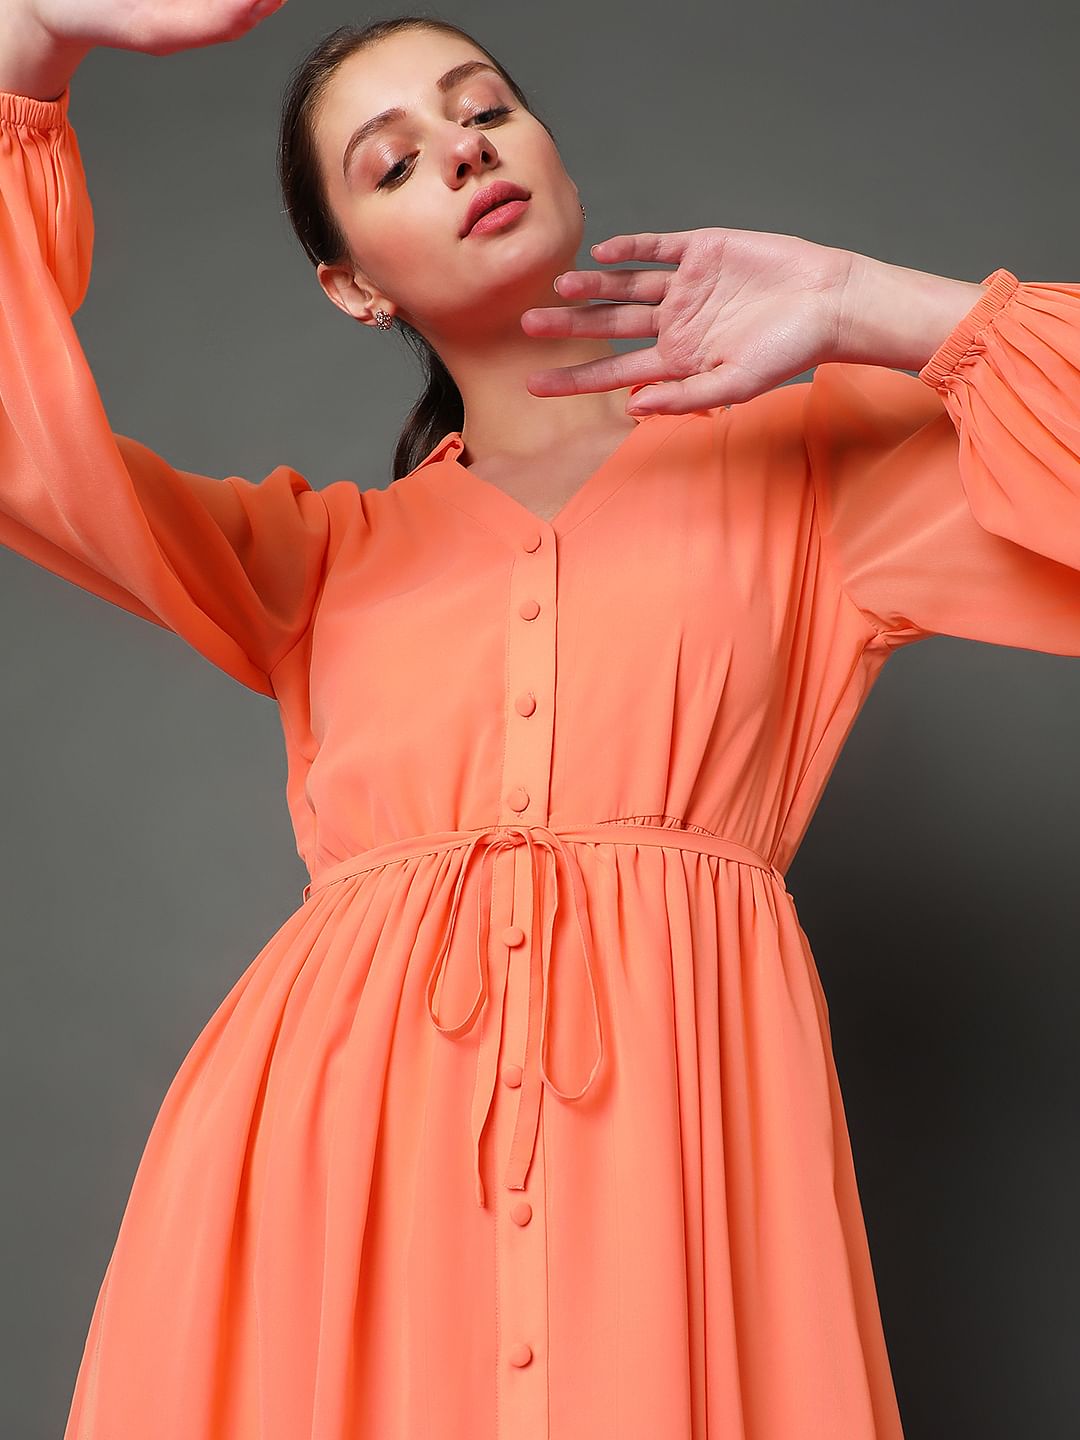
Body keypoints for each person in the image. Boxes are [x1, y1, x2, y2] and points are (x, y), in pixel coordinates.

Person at [2, 4, 1079, 1438]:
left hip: (673, 1160)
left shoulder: (809, 466)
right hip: (343, 1190)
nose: (462, 152)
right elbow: (27, 451)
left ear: (551, 151)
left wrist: (864, 302)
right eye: (393, 164)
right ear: (351, 287)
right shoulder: (315, 561)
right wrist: (30, 43)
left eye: (484, 110)